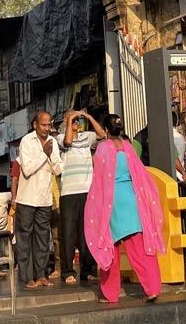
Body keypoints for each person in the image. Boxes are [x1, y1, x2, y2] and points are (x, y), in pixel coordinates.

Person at [84, 113, 166, 305]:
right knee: (141, 249)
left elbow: (99, 180)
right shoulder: (129, 148)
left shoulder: (103, 149)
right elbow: (141, 175)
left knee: (109, 248)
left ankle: (110, 294)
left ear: (105, 130)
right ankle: (153, 288)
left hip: (112, 203)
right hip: (132, 200)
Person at [14, 110, 63, 289]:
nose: (47, 128)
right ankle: (27, 277)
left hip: (44, 198)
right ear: (35, 125)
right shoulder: (27, 141)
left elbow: (58, 169)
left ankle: (41, 274)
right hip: (27, 198)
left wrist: (54, 159)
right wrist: (44, 153)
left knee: (43, 238)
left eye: (49, 124)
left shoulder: (53, 142)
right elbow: (26, 169)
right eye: (43, 124)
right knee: (24, 238)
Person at [59, 109, 105, 284]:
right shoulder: (59, 138)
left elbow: (102, 134)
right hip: (69, 192)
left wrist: (89, 117)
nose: (76, 122)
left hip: (87, 189)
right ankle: (68, 271)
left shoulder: (87, 136)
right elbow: (68, 141)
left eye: (77, 120)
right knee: (69, 233)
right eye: (72, 120)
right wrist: (70, 120)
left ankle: (88, 270)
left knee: (87, 232)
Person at [171, 113, 186, 182]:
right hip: (181, 174)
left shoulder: (170, 138)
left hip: (174, 174)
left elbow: (174, 158)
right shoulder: (180, 137)